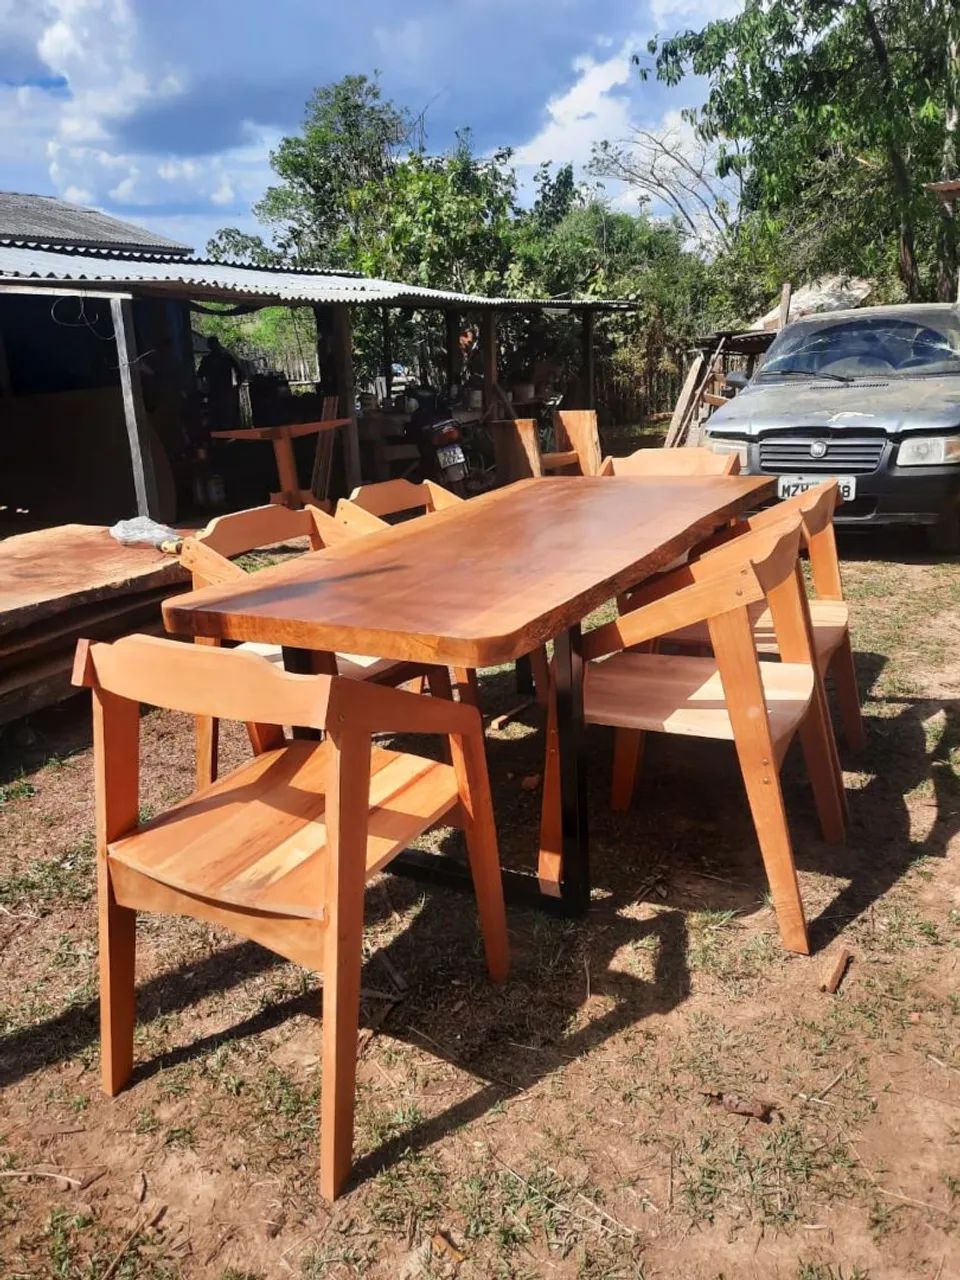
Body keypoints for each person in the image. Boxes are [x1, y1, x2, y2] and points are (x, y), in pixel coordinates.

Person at [198, 336, 244, 430]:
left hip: (224, 392)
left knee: (226, 418)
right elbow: (200, 375)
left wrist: (237, 387)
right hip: (216, 393)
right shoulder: (208, 360)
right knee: (220, 419)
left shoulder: (225, 358)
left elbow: (240, 373)